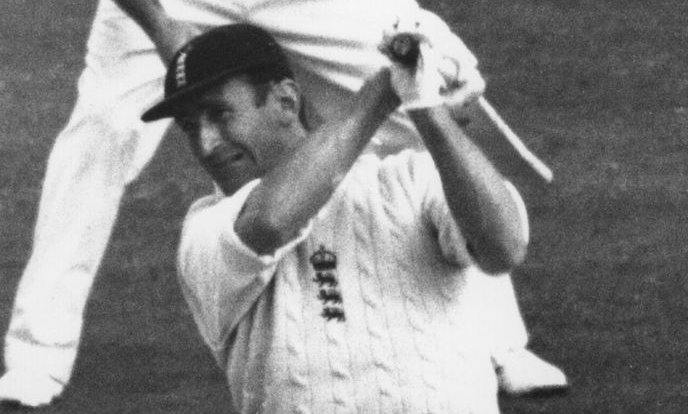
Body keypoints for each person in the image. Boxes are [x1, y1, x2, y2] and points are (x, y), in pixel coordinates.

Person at [0, 0, 566, 407]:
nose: (207, 143)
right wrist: (161, 24)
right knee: (105, 128)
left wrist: (430, 90)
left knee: (422, 109)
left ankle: (501, 342)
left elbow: (440, 109)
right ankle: (37, 349)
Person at [147, 21, 528, 413]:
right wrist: (383, 92)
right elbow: (271, 221)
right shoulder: (205, 230)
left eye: (219, 114)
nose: (206, 144)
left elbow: (504, 247)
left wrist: (426, 108)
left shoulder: (409, 179)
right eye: (190, 127)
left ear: (286, 101)